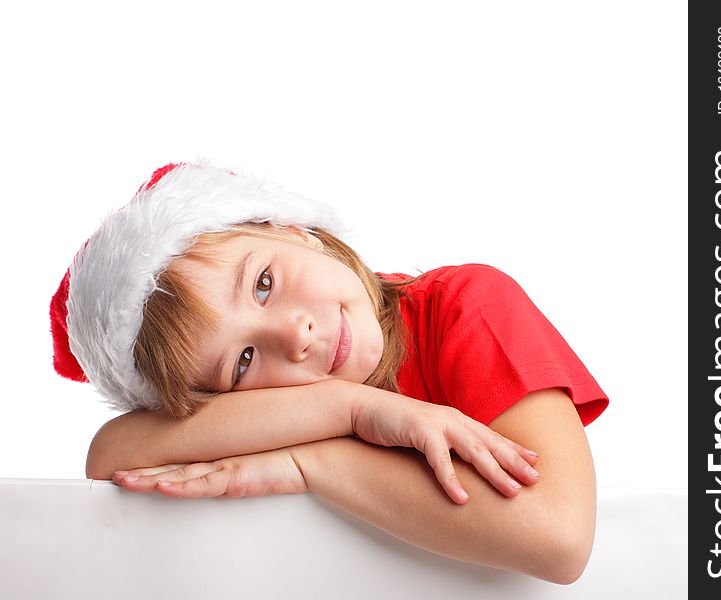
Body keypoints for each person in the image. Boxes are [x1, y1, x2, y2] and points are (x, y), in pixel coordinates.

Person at [50, 161, 608, 584]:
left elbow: (559, 538)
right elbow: (111, 454)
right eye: (243, 361)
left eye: (263, 283)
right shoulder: (287, 404)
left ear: (290, 228)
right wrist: (351, 409)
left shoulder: (465, 306)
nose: (294, 336)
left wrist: (311, 461)